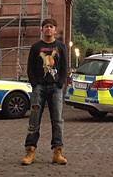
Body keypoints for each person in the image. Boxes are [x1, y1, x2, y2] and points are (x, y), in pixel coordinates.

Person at [21, 18, 68, 166]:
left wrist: (60, 83)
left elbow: (65, 66)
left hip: (55, 87)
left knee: (58, 120)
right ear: (42, 30)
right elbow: (30, 67)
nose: (48, 29)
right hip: (39, 87)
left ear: (55, 30)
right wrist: (34, 83)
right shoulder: (36, 47)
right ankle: (30, 150)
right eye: (46, 27)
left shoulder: (61, 47)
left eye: (51, 26)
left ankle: (58, 151)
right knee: (34, 119)